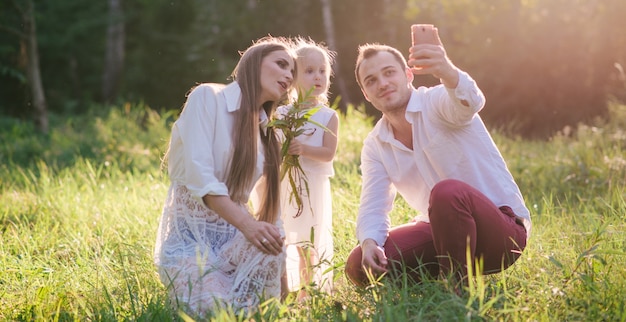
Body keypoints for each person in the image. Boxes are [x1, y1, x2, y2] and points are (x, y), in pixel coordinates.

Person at [345, 30, 531, 290]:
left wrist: (446, 70)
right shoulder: (375, 145)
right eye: (371, 80)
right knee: (358, 264)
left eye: (389, 73)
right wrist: (369, 244)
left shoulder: (437, 102)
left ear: (408, 75)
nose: (383, 83)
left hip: (501, 234)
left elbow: (470, 102)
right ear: (366, 93)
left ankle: (456, 290)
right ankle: (434, 278)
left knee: (447, 192)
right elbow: (373, 206)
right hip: (444, 235)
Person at [153, 36, 297, 316]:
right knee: (217, 309)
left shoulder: (269, 134)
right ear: (253, 63)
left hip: (236, 242)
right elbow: (200, 178)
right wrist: (248, 225)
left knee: (260, 302)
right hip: (191, 243)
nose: (289, 75)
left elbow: (271, 215)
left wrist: (284, 290)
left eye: (292, 71)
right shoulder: (208, 97)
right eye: (281, 64)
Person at [278, 38, 339, 298]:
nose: (318, 77)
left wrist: (303, 149)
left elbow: (328, 154)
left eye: (323, 71)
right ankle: (282, 287)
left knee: (306, 240)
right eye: (310, 71)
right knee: (283, 235)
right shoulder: (281, 114)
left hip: (312, 186)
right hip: (284, 184)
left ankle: (307, 289)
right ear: (292, 77)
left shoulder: (328, 116)